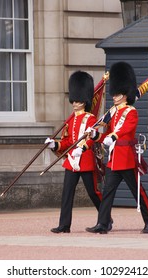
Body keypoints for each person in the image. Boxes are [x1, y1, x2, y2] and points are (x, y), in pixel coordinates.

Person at [85, 61, 148, 234]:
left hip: (127, 159)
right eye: (114, 94)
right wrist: (96, 136)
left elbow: (126, 129)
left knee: (138, 192)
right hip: (114, 160)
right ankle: (103, 223)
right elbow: (106, 136)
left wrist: (113, 136)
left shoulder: (130, 111)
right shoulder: (113, 113)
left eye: (117, 94)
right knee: (107, 192)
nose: (114, 97)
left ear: (125, 94)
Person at [45, 71, 108, 233]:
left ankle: (105, 219)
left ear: (84, 101)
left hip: (85, 159)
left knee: (93, 193)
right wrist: (54, 144)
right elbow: (67, 141)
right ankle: (64, 225)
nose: (74, 103)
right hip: (72, 161)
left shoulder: (90, 119)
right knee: (67, 193)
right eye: (74, 100)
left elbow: (90, 138)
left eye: (78, 100)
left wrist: (81, 149)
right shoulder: (71, 119)